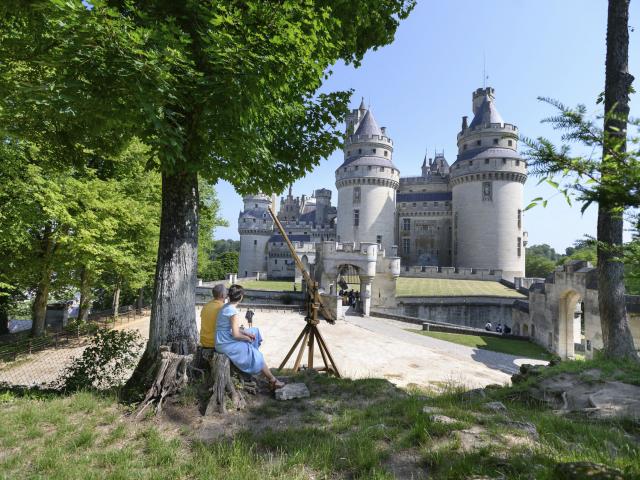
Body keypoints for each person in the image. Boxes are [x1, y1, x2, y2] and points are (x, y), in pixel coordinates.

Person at [215, 284, 284, 389]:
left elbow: (234, 329)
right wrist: (247, 338)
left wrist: (247, 333)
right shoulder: (233, 311)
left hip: (223, 338)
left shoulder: (226, 306)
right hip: (225, 342)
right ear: (241, 297)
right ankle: (272, 380)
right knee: (255, 351)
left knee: (254, 332)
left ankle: (256, 363)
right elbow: (236, 334)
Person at [200, 284, 227, 349]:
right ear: (223, 295)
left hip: (204, 341)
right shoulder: (223, 308)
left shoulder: (206, 306)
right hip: (216, 343)